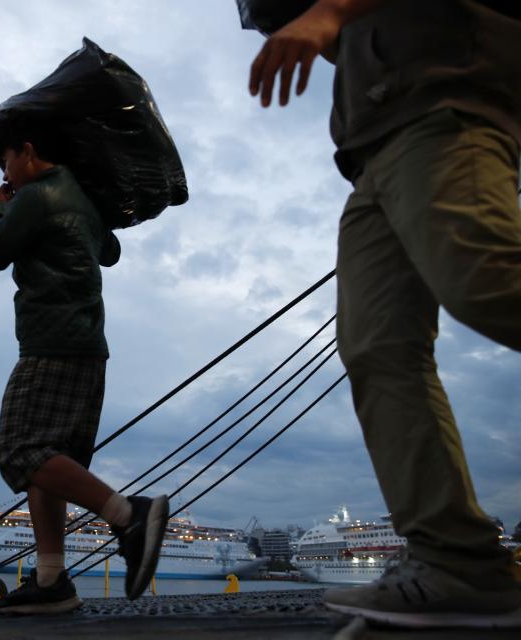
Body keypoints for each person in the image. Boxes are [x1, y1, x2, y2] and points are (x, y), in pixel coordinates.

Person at [248, 0, 521, 628]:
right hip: (372, 146)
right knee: (375, 345)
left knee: (486, 282)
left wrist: (332, 10)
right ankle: (456, 561)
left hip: (444, 99)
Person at [0, 125, 169, 615]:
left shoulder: (37, 195)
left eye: (6, 160)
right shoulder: (78, 196)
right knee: (52, 466)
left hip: (50, 340)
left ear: (29, 149)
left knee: (21, 451)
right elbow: (111, 251)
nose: (4, 172)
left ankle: (129, 515)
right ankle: (51, 580)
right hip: (87, 342)